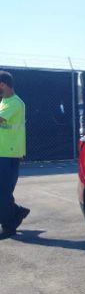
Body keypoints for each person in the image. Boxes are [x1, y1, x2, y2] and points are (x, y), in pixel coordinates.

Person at [0, 71, 29, 239]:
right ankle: (16, 213)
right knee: (3, 191)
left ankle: (10, 225)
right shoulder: (4, 101)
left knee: (3, 191)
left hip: (9, 154)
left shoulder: (16, 103)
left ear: (3, 84)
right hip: (2, 152)